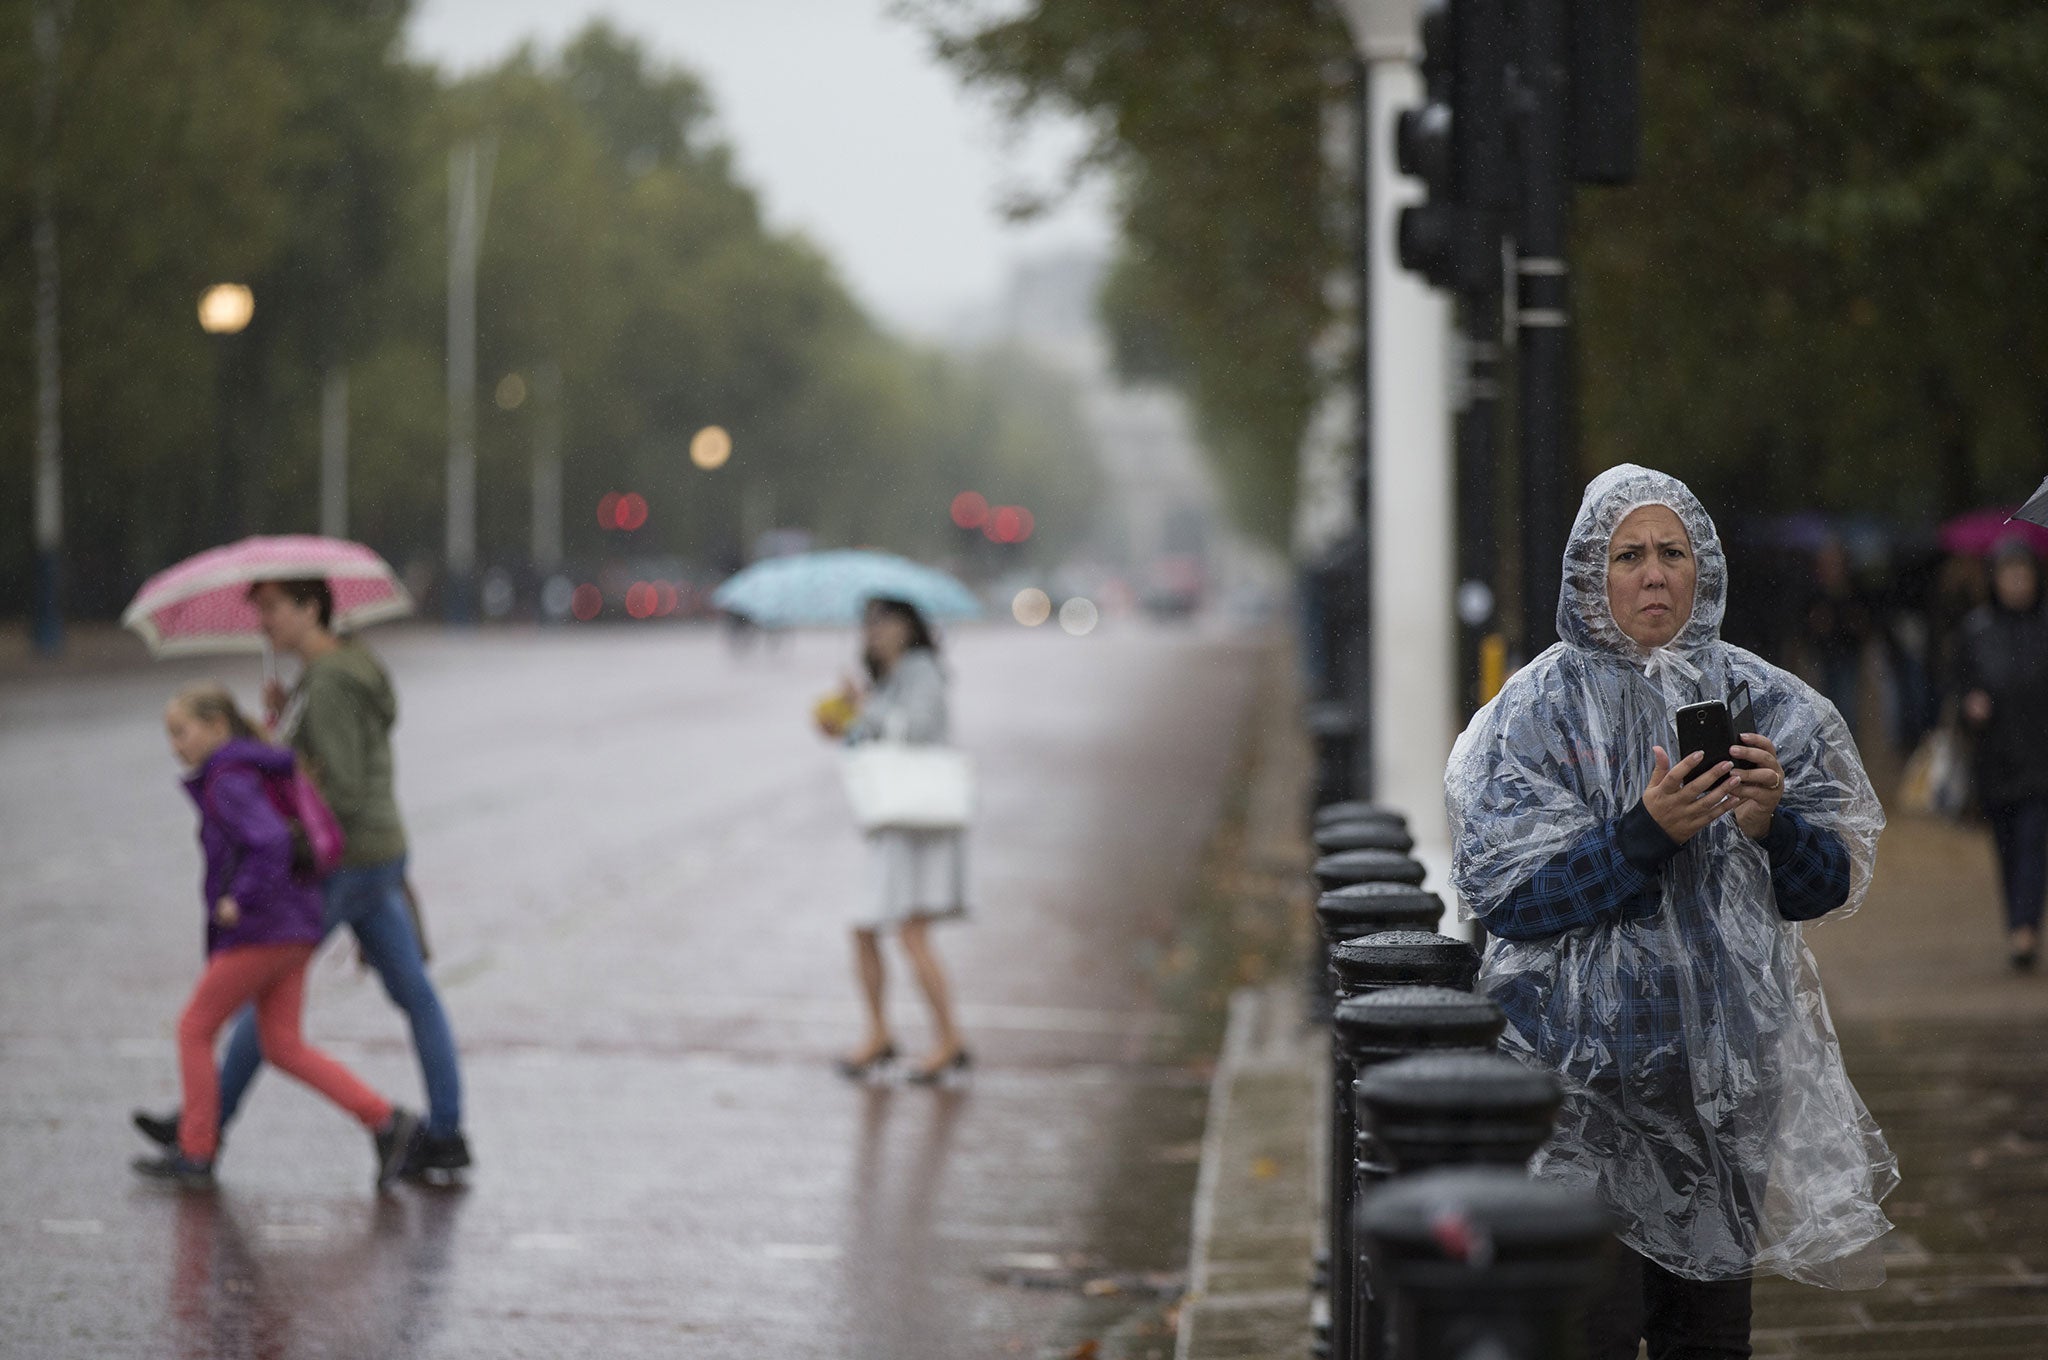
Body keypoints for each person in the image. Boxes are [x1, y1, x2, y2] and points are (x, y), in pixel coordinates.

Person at [1446, 466, 1895, 1359]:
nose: (1654, 574)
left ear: (1705, 570)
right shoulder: (1530, 715)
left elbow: (1829, 883)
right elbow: (1503, 892)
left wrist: (1772, 827)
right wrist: (1641, 836)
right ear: (1589, 575)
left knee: (1710, 1337)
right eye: (1629, 555)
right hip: (1581, 1091)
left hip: (1721, 1084)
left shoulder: (1764, 701)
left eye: (1672, 552)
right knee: (1594, 1330)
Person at [131, 579, 470, 1180]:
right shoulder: (345, 671)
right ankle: (443, 1132)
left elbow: (335, 783)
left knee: (262, 986)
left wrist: (278, 774)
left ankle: (202, 1131)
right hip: (380, 848)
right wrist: (285, 719)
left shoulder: (333, 682)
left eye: (272, 610)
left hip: (348, 859)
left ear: (311, 609)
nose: (263, 624)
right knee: (413, 992)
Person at [135, 683, 419, 1190]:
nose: (175, 745)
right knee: (283, 1044)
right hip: (297, 924)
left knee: (194, 1028)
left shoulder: (229, 778)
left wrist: (238, 898)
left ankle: (196, 1151)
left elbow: (267, 842)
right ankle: (385, 1120)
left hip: (261, 929)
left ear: (217, 727)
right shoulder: (259, 765)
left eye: (182, 732)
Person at [816, 598, 971, 1084]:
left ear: (909, 626)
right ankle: (882, 1033)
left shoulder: (922, 670)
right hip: (895, 823)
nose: (873, 631)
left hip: (919, 824)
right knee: (868, 928)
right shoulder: (888, 678)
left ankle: (948, 1039)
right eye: (866, 622)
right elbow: (869, 743)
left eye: (883, 620)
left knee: (910, 932)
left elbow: (918, 730)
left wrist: (862, 715)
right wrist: (846, 718)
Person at [1957, 537, 2048, 970]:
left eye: (2023, 574)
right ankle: (2016, 919)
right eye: (2009, 574)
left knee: (2034, 843)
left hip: (2040, 758)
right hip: (1995, 761)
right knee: (2008, 846)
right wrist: (1969, 705)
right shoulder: (1977, 631)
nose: (2017, 583)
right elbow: (1955, 685)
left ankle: (2024, 929)